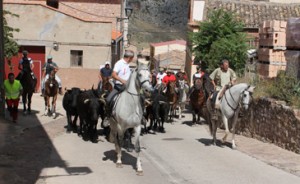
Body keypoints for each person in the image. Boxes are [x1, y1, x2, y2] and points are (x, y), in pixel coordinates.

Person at [105, 50, 135, 117]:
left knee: (139, 97)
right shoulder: (119, 63)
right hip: (119, 87)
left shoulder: (127, 65)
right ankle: (108, 117)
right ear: (129, 58)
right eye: (132, 58)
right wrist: (122, 81)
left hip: (129, 87)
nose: (132, 60)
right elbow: (113, 74)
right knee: (108, 99)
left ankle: (141, 117)